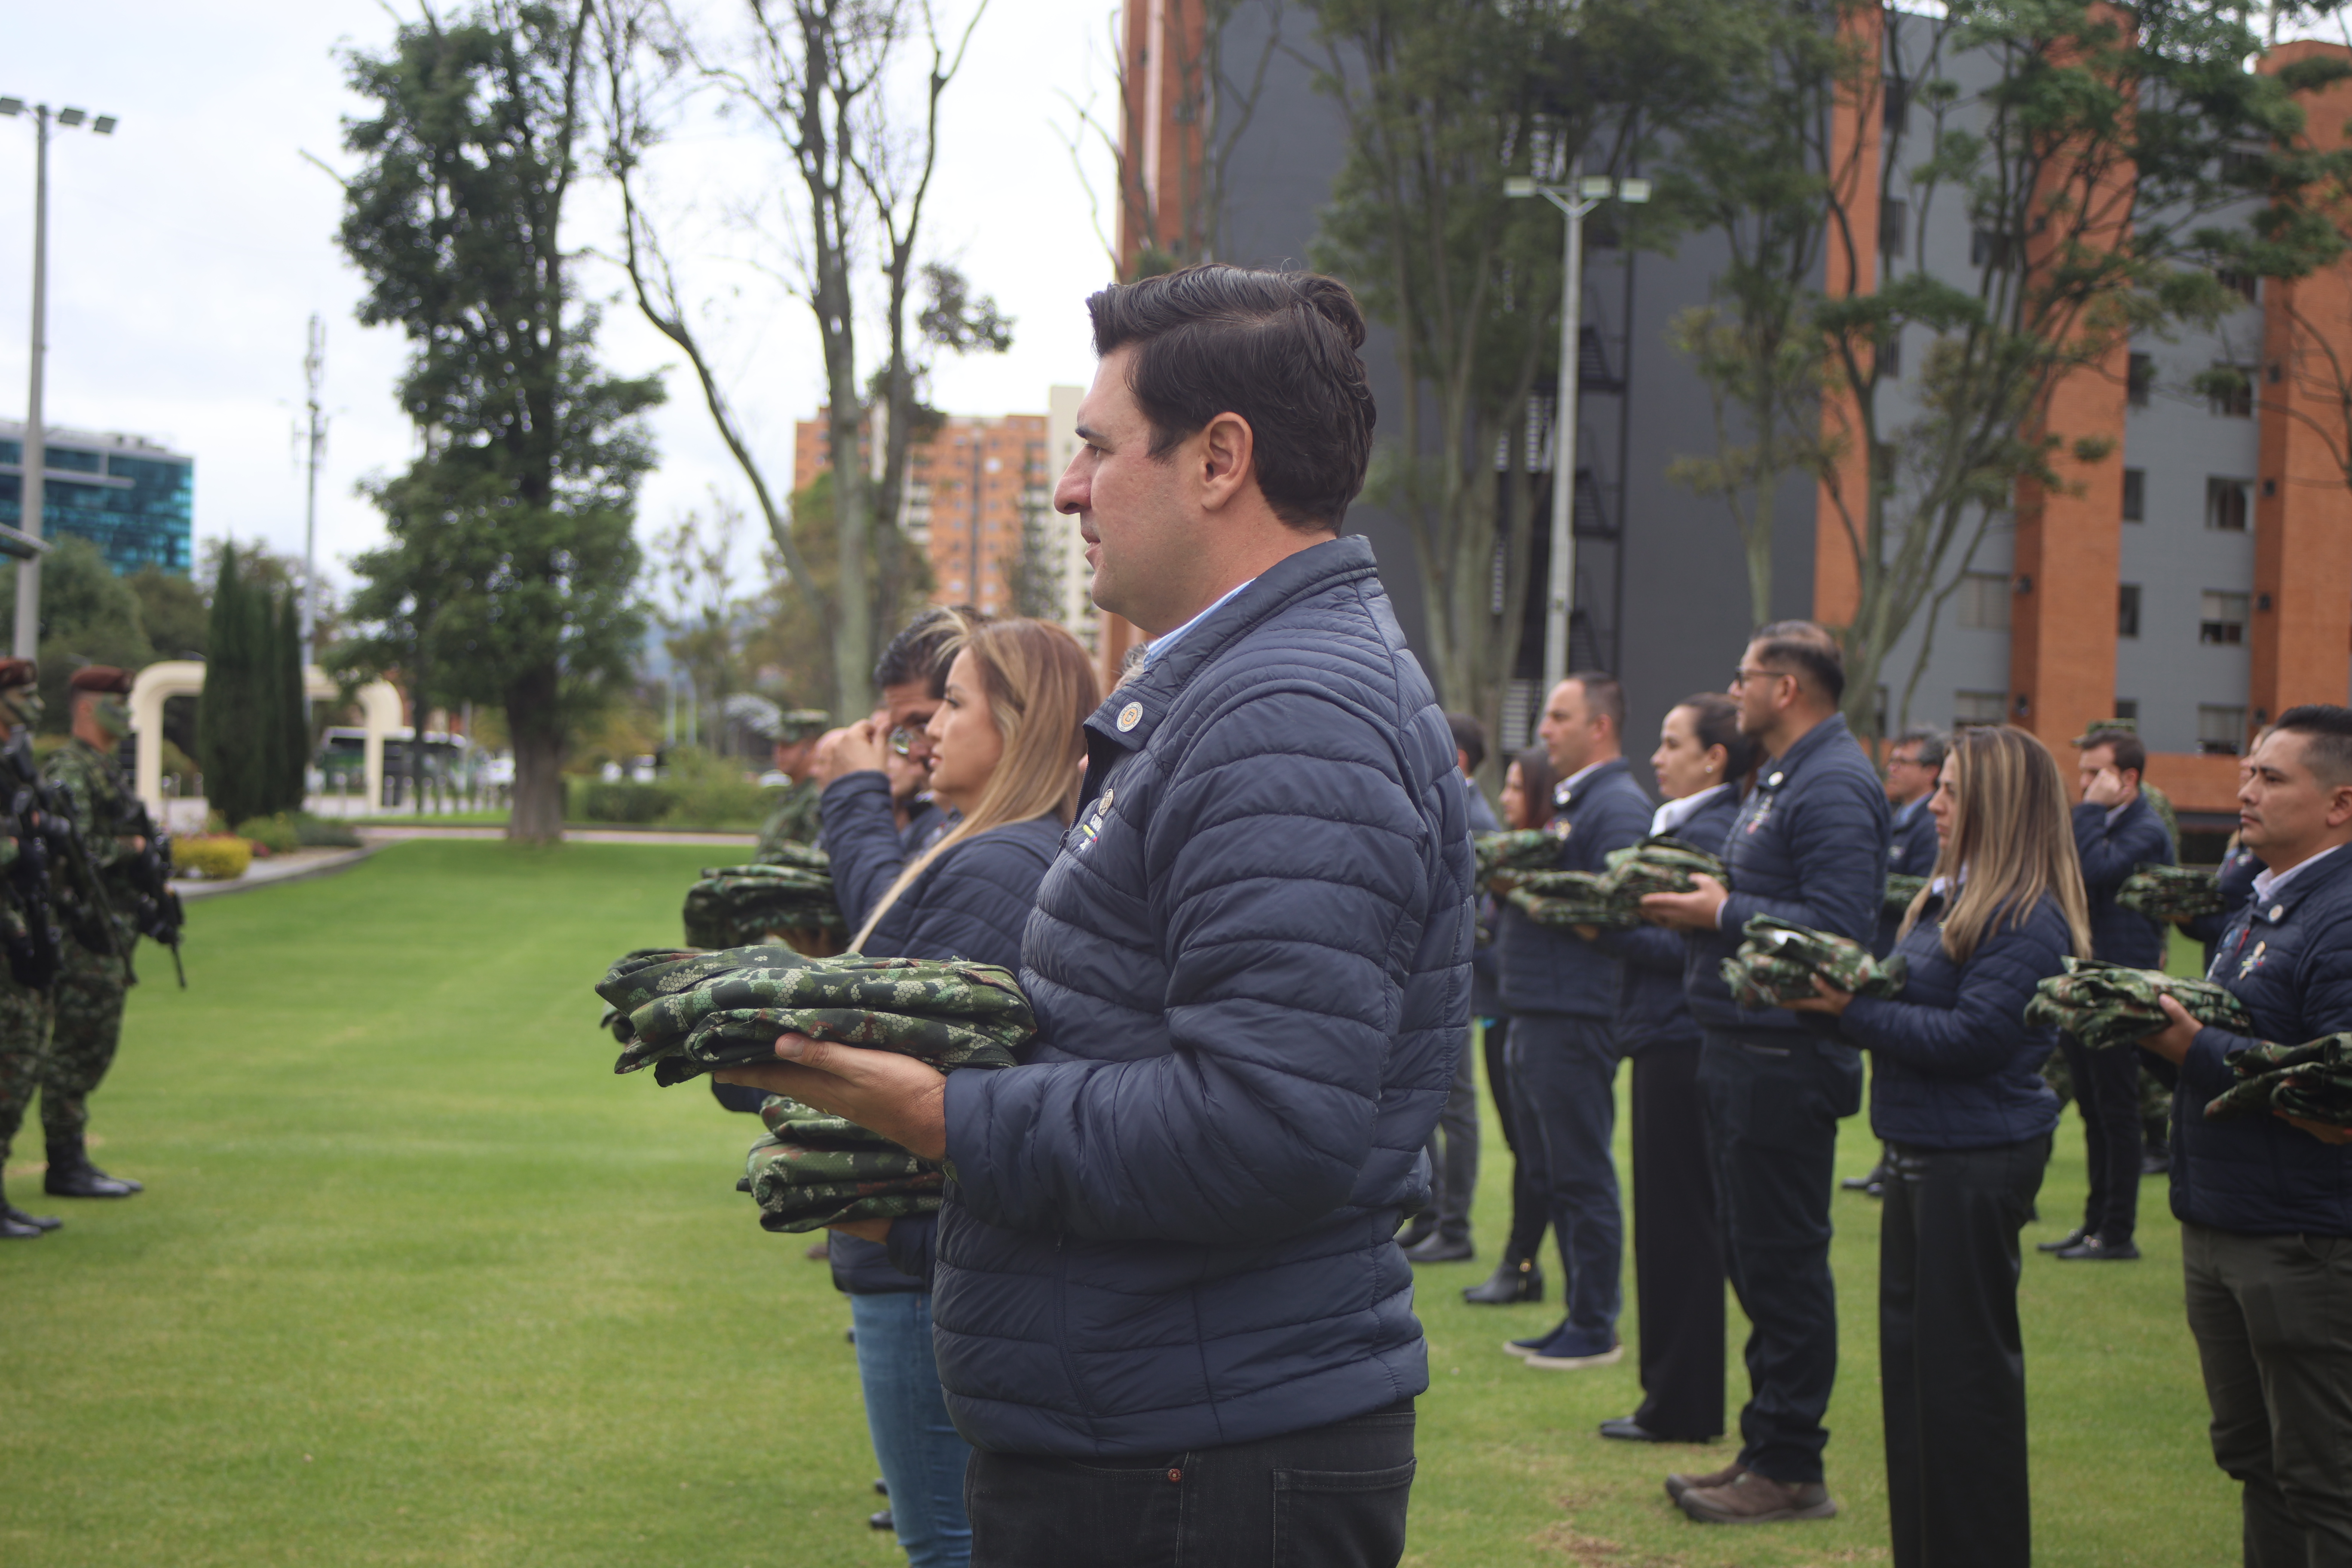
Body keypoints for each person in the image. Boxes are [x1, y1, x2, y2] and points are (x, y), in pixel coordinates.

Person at [717, 263, 1471, 1567]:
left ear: (1220, 459)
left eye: (1096, 449)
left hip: (1196, 1459)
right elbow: (1129, 1032)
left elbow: (1262, 1124)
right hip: (1156, 1428)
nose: (1069, 490)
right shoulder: (1234, 689)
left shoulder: (1290, 711)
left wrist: (932, 1108)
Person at [808, 617, 1101, 1568]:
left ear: (1018, 727)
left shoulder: (997, 861)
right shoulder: (985, 846)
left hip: (921, 1262)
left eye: (957, 706)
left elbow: (910, 1059)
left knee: (947, 1544)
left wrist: (758, 1039)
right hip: (921, 1254)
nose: (928, 732)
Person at [1788, 725, 2087, 1568]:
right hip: (1927, 1153)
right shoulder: (1952, 896)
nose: (1934, 803)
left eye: (1953, 789)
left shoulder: (2023, 916)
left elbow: (1974, 1039)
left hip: (1973, 1161)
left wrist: (1842, 1010)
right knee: (1918, 1392)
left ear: (1997, 802)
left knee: (1965, 1397)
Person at [1641, 621, 1890, 1525]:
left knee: (1783, 1264)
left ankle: (1791, 1467)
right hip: (1740, 1048)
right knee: (1754, 1258)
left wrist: (1724, 909)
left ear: (1786, 689)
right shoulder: (1784, 777)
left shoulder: (1831, 784)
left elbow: (1838, 927)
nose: (1733, 690)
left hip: (1783, 1057)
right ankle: (1765, 1446)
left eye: (1744, 677)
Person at [2138, 707, 2352, 1566]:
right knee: (2257, 1463)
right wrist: (2151, 1038)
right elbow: (2239, 1053)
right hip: (2225, 1223)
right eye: (2247, 771)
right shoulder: (2265, 903)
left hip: (2299, 1241)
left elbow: (2337, 1103)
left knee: (2324, 1479)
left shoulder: (2340, 922)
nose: (2246, 790)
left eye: (2272, 777)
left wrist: (2191, 1045)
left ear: (2340, 803)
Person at [1596, 694, 1753, 1444]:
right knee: (1665, 1224)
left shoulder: (1714, 828)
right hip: (1663, 1035)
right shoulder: (1682, 823)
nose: (1655, 756)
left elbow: (1696, 944)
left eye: (1670, 742)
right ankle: (1667, 1396)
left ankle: (1682, 1405)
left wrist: (1607, 925)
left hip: (1684, 1037)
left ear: (1713, 758)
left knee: (1681, 1226)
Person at [1495, 674, 1652, 1371]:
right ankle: (1577, 1314)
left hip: (1574, 1015)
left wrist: (1537, 897)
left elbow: (1624, 914)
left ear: (1600, 727)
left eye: (1559, 717)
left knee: (1580, 1173)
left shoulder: (1615, 806)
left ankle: (1595, 1323)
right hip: (1539, 1008)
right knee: (1555, 1173)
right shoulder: (1576, 802)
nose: (1545, 731)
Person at [2040, 725, 2174, 1262]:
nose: (2085, 782)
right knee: (2093, 1109)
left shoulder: (2145, 827)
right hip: (2085, 983)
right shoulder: (2100, 823)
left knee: (2117, 1111)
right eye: (2084, 772)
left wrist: (2090, 810)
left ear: (2130, 779)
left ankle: (2117, 1233)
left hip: (2119, 988)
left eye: (2097, 773)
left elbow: (2091, 867)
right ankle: (2095, 1224)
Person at [37, 665, 147, 1201]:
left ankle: (72, 1158)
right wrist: (132, 853)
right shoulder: (71, 770)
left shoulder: (105, 768)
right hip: (83, 931)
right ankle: (65, 1164)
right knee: (77, 1048)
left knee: (95, 1046)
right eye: (116, 704)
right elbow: (72, 854)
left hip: (111, 929)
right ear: (86, 709)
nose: (126, 715)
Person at [1463, 745, 1559, 1305]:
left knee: (1534, 1150)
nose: (1506, 797)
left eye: (1519, 787)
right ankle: (1521, 1262)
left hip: (1522, 1011)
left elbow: (1515, 947)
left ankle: (1522, 1264)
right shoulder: (1511, 860)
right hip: (1503, 1013)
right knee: (1522, 1146)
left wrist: (1485, 941)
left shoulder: (1536, 862)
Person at [1398, 713, 1492, 1265]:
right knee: (1429, 1101)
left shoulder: (1475, 816)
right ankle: (1432, 1218)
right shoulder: (1448, 806)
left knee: (1456, 1105)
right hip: (1430, 978)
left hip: (1455, 980)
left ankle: (1454, 1227)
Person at [1847, 728, 1949, 1200]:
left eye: (1904, 761)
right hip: (1888, 947)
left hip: (1908, 952)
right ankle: (1887, 1161)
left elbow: (1927, 889)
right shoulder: (1899, 818)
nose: (1893, 768)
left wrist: (1868, 888)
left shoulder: (1931, 826)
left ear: (1931, 771)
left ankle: (1893, 1162)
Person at [0, 660, 59, 1239]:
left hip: (21, 922)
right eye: (25, 694)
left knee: (21, 1062)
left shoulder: (15, 768)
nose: (34, 705)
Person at [754, 710, 836, 857]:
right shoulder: (795, 794)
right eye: (777, 745)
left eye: (787, 746)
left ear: (812, 748)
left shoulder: (816, 798)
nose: (778, 752)